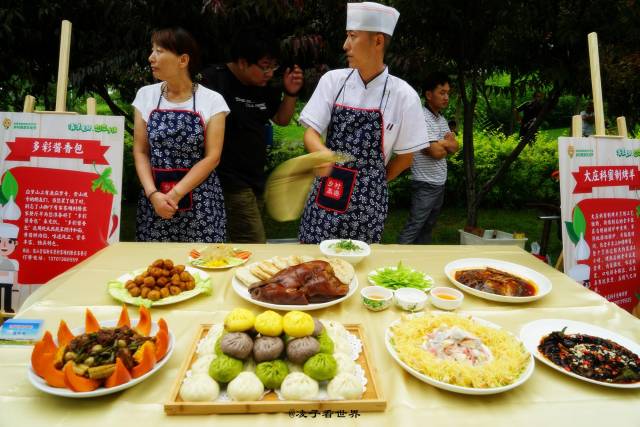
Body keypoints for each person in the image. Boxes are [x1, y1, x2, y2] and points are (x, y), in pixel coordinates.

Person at [297, 2, 430, 244]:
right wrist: (322, 153)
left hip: (369, 202)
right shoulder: (333, 81)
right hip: (328, 188)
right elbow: (311, 132)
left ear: (378, 41)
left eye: (352, 37)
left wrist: (373, 180)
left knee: (359, 263)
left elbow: (406, 157)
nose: (345, 45)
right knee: (314, 259)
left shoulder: (404, 95)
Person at [200, 32, 303, 243]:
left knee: (239, 245)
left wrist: (290, 93)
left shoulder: (263, 88)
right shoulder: (213, 80)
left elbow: (281, 119)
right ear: (242, 62)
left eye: (273, 66)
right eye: (265, 66)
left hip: (254, 178)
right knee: (253, 242)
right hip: (227, 178)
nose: (269, 73)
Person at [132, 27, 229, 242]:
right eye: (152, 51)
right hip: (155, 200)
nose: (151, 58)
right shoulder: (145, 96)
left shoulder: (212, 101)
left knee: (203, 264)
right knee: (156, 270)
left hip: (201, 200)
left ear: (183, 60)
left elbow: (212, 157)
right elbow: (140, 151)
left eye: (159, 51)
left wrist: (175, 194)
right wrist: (153, 194)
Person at [398, 72, 459, 244]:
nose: (446, 97)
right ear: (428, 94)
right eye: (442, 92)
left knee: (428, 227)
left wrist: (443, 144)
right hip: (425, 183)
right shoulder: (422, 117)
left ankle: (418, 263)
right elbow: (435, 152)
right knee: (414, 226)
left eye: (448, 93)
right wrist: (445, 143)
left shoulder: (441, 119)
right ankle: (395, 258)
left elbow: (455, 146)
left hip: (439, 183)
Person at [0, 222, 19, 314]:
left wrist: (15, 286)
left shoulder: (14, 262)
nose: (4, 245)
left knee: (8, 295)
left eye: (9, 241)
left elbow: (15, 274)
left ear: (15, 243)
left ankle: (8, 308)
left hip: (9, 282)